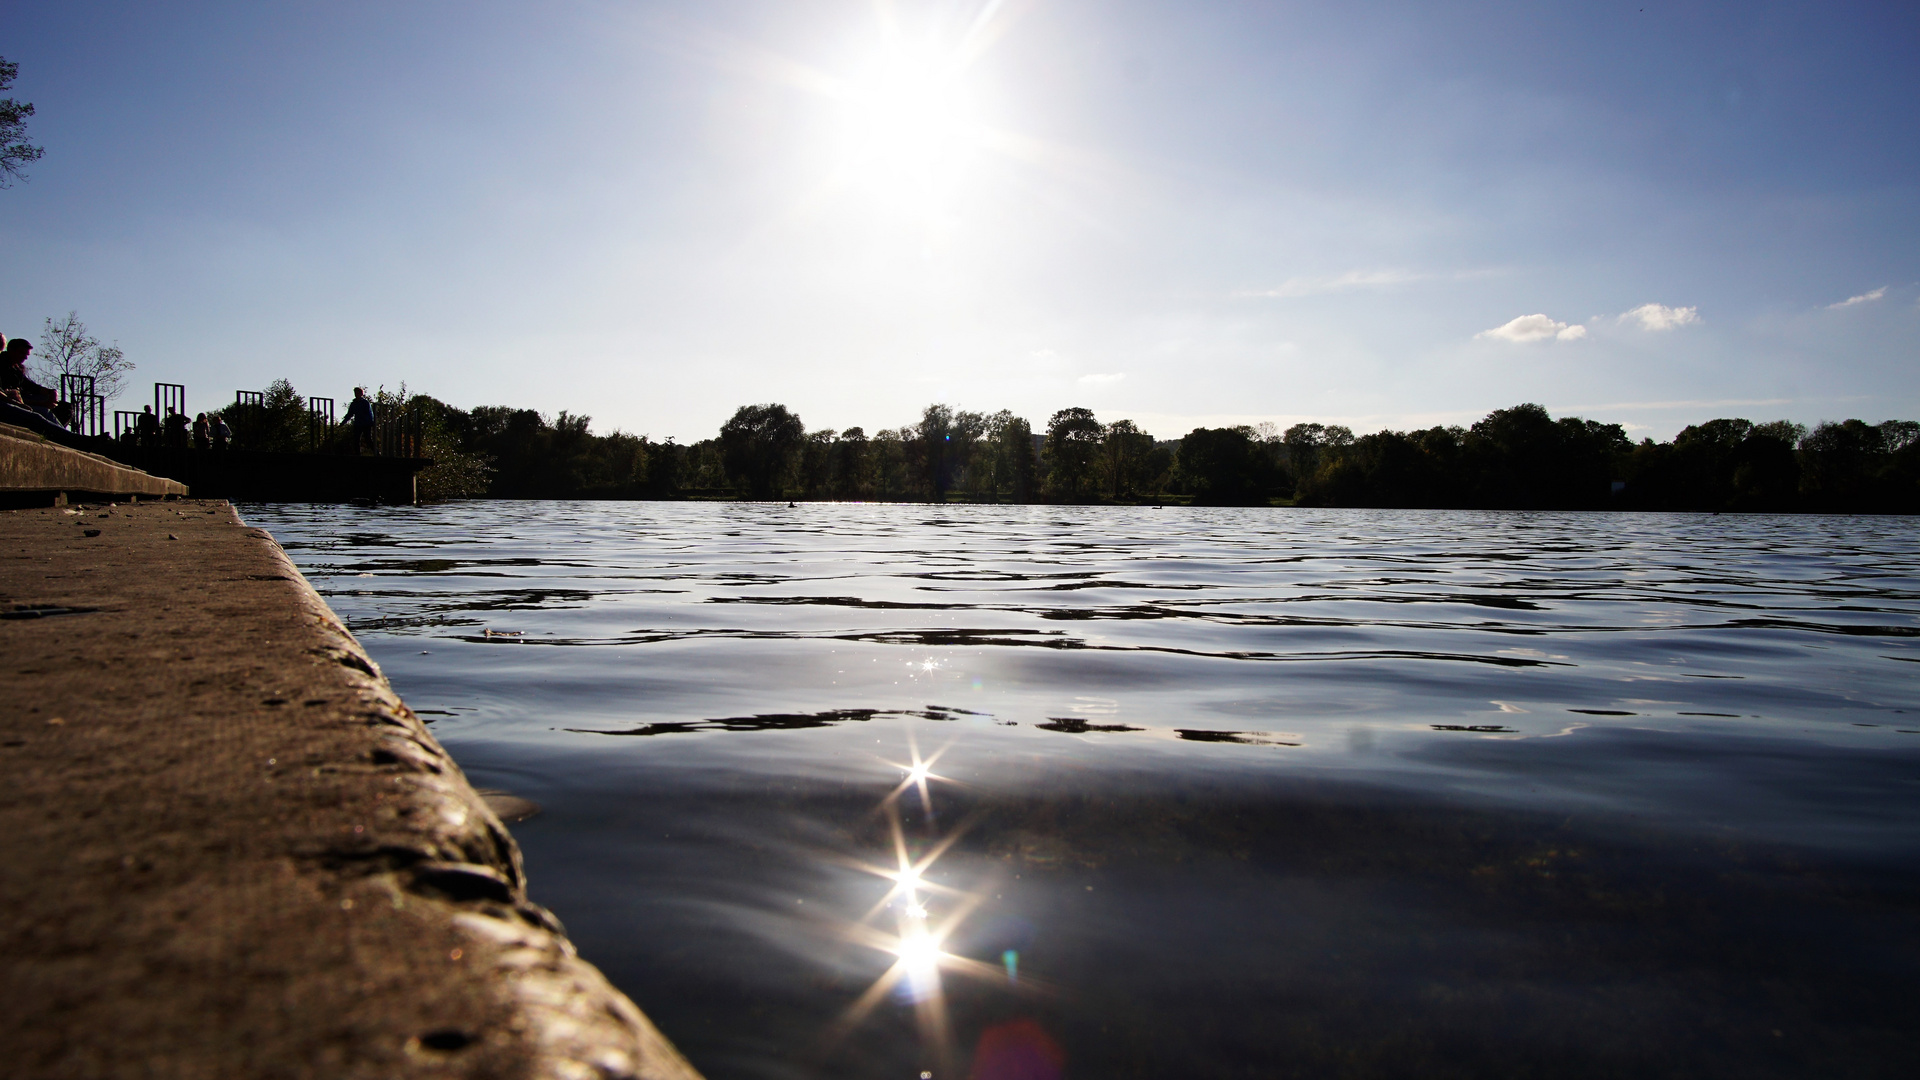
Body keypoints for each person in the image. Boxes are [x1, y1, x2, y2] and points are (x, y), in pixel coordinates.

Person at [345, 386, 377, 454]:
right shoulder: (353, 404)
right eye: (355, 393)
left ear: (361, 394)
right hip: (358, 424)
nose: (356, 394)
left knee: (368, 439)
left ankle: (376, 453)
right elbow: (350, 414)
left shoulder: (365, 403)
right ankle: (358, 454)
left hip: (366, 424)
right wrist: (343, 422)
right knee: (356, 440)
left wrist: (371, 423)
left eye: (357, 393)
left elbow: (369, 413)